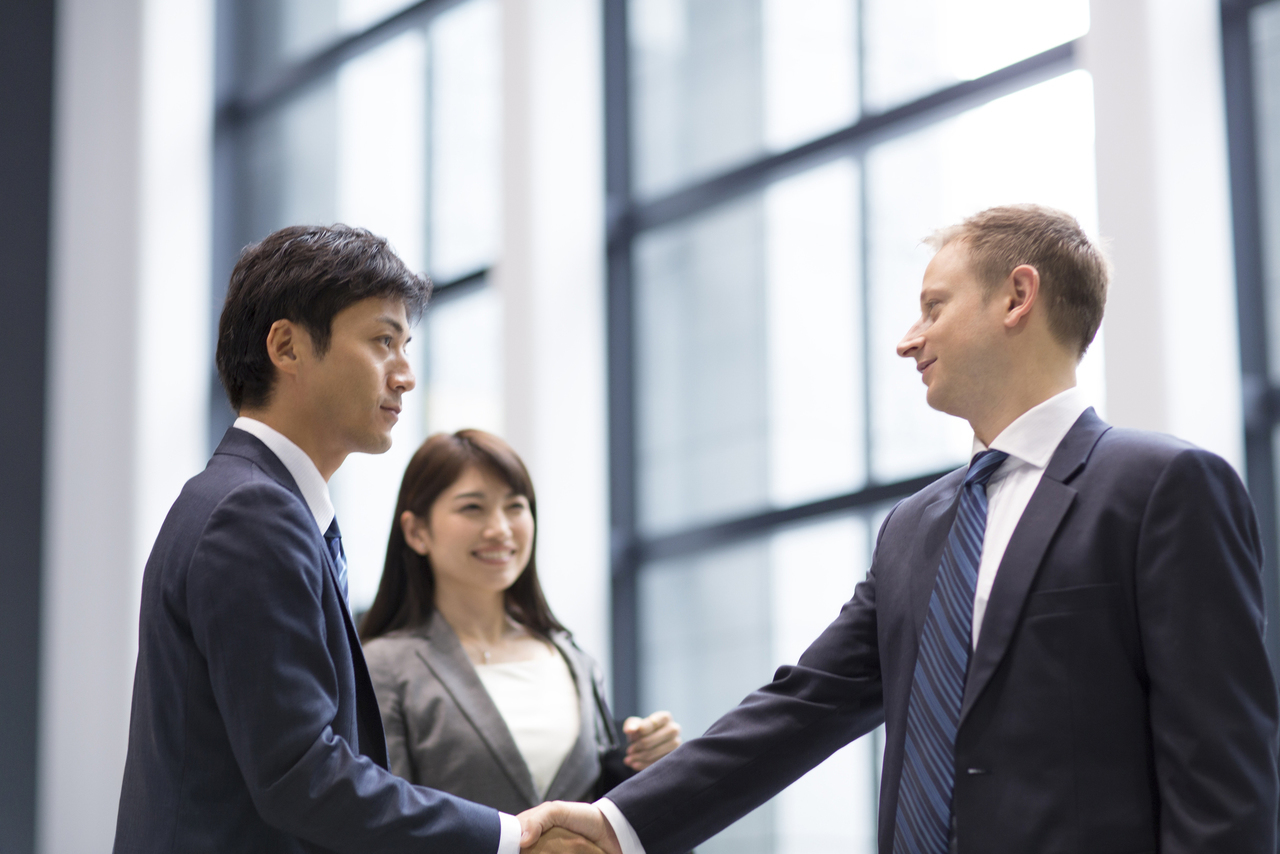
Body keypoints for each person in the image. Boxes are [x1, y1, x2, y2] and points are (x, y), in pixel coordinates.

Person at [518, 205, 1280, 854]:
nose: (908, 340)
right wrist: (619, 821)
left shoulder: (1163, 487)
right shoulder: (914, 528)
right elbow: (804, 705)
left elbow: (1220, 770)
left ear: (1018, 297)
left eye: (933, 307)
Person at [112, 225, 572, 853]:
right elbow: (300, 774)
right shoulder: (252, 513)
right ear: (286, 346)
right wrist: (507, 836)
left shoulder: (255, 502)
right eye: (384, 341)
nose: (406, 375)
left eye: (406, 345)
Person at [359, 430, 682, 815]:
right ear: (417, 531)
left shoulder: (571, 657)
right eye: (472, 508)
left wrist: (649, 761)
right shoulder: (384, 666)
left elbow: (606, 804)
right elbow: (381, 821)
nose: (500, 529)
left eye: (515, 506)